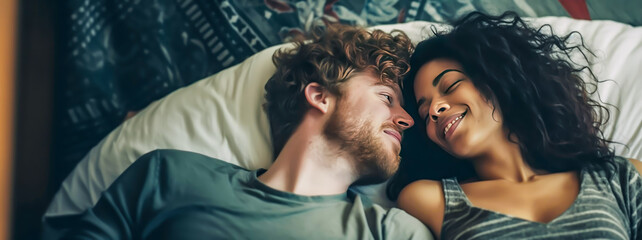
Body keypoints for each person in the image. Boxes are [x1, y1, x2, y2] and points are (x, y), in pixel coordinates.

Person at [42, 24, 433, 239]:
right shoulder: (167, 176)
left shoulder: (394, 232)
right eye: (386, 97)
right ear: (320, 96)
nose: (407, 119)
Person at [387, 12, 642, 239]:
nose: (434, 110)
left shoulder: (621, 177)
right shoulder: (429, 199)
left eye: (451, 86)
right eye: (423, 111)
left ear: (499, 81)